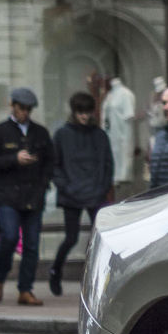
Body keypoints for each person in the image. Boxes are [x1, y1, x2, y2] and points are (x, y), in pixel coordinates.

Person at [0, 86, 55, 306]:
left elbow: (50, 162)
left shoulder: (40, 132)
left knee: (32, 245)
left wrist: (44, 184)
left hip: (33, 196)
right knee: (10, 236)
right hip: (6, 195)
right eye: (22, 108)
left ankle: (26, 289)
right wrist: (14, 159)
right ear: (11, 105)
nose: (26, 112)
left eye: (29, 109)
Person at [48, 90, 114, 299]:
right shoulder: (62, 134)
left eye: (87, 112)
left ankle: (101, 282)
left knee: (103, 240)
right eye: (80, 112)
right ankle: (55, 270)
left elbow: (108, 164)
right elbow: (54, 166)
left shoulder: (100, 135)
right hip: (71, 194)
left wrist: (102, 187)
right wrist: (66, 187)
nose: (84, 116)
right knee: (70, 238)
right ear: (74, 112)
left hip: (95, 193)